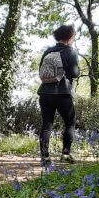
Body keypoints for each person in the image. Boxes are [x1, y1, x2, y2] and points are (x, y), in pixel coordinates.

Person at [37, 24, 80, 166]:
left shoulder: (47, 51)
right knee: (70, 122)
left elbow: (41, 70)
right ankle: (66, 154)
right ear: (70, 37)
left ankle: (45, 157)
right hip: (62, 93)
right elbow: (74, 73)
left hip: (44, 92)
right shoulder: (70, 52)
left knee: (47, 124)